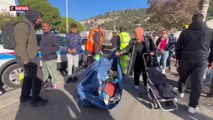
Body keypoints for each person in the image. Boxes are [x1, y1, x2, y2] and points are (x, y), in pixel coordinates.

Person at [175, 13, 213, 114]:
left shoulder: (185, 32)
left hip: (185, 58)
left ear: (192, 20)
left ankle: (180, 92)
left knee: (183, 76)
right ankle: (192, 106)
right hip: (202, 60)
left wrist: (178, 57)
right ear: (203, 20)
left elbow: (178, 46)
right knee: (197, 83)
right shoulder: (210, 32)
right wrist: (211, 60)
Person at [14, 9, 48, 106]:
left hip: (30, 56)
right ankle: (35, 100)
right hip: (27, 58)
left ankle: (24, 97)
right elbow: (21, 43)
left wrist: (35, 48)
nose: (40, 20)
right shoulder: (23, 25)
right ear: (33, 16)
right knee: (38, 77)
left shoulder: (29, 25)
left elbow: (28, 42)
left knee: (28, 77)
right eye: (39, 17)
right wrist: (25, 58)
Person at [40, 22, 60, 90]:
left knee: (53, 72)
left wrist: (48, 51)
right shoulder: (43, 36)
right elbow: (44, 46)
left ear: (49, 27)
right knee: (44, 72)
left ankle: (54, 85)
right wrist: (40, 49)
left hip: (51, 58)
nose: (44, 28)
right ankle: (45, 84)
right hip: (44, 58)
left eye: (45, 26)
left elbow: (57, 47)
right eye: (43, 26)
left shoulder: (52, 36)